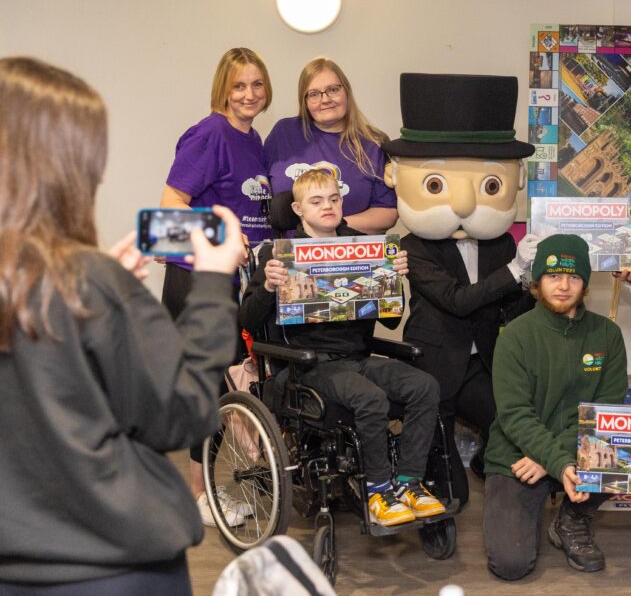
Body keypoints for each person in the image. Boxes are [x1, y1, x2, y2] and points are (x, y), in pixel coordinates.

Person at [0, 56, 245, 594]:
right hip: (110, 569)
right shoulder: (91, 283)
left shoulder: (88, 284)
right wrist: (210, 284)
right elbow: (182, 415)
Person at [239, 169, 444, 526]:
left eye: (334, 199)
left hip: (358, 357)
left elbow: (391, 322)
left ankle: (409, 482)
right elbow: (247, 320)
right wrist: (269, 288)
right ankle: (378, 489)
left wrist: (395, 281)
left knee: (425, 386)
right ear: (299, 209)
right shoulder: (279, 255)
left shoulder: (364, 247)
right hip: (308, 365)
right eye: (317, 201)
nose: (328, 206)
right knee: (370, 398)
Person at [382, 73, 538, 507]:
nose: (466, 204)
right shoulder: (412, 247)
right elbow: (455, 300)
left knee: (508, 420)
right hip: (434, 365)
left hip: (480, 362)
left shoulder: (501, 243)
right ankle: (439, 463)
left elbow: (512, 306)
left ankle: (484, 460)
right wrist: (514, 269)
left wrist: (536, 282)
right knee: (453, 497)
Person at [160, 46, 274, 524]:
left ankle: (224, 481)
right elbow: (170, 207)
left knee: (236, 381)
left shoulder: (255, 138)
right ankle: (200, 498)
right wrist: (226, 237)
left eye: (257, 84)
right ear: (223, 90)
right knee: (207, 388)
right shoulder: (210, 133)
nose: (249, 94)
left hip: (238, 281)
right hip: (199, 280)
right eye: (238, 86)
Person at [483, 234, 627, 580]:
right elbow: (515, 415)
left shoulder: (607, 334)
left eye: (573, 276)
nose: (563, 286)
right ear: (537, 281)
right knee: (510, 564)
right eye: (553, 275)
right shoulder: (515, 336)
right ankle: (530, 508)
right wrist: (555, 461)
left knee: (624, 444)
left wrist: (553, 458)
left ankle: (571, 520)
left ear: (585, 283)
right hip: (517, 455)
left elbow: (605, 408)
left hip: (565, 451)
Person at [265, 57, 396, 235]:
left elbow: (388, 213)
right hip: (291, 258)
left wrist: (331, 225)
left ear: (346, 92)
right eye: (314, 94)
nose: (325, 99)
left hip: (354, 256)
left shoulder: (374, 143)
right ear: (304, 101)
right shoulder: (283, 133)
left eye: (333, 90)